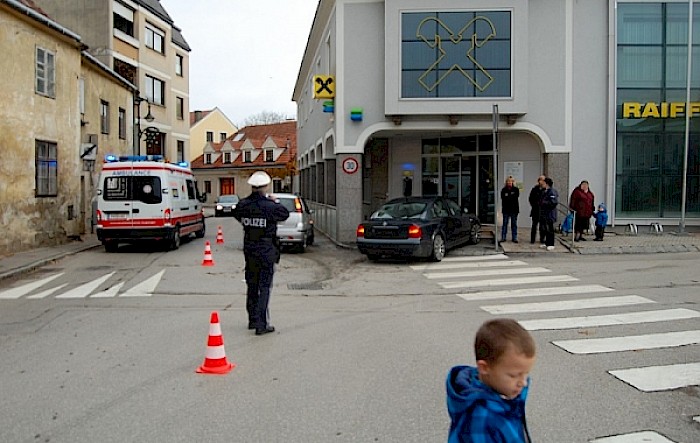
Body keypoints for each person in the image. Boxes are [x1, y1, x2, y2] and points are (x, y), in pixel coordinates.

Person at [446, 318, 537, 443]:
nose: (523, 382)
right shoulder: (481, 420)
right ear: (484, 368)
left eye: (525, 374)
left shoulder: (504, 397)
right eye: (513, 375)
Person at [232, 171, 290, 336]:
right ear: (265, 187)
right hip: (266, 250)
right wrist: (275, 201)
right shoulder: (270, 206)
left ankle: (252, 319)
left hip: (249, 250)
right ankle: (261, 324)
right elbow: (284, 213)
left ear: (252, 186)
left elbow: (237, 215)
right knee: (264, 287)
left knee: (252, 285)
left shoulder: (243, 205)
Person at [538, 177, 559, 251]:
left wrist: (544, 203)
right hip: (545, 213)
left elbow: (553, 202)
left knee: (550, 229)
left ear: (547, 184)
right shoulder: (545, 191)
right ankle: (547, 242)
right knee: (545, 229)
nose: (542, 184)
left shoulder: (552, 192)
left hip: (550, 213)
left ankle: (551, 244)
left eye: (543, 183)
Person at [500, 176, 520, 243]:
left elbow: (515, 198)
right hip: (506, 210)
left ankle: (514, 237)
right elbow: (503, 198)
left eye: (510, 181)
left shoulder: (516, 189)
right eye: (508, 181)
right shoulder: (503, 190)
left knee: (514, 224)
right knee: (505, 224)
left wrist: (508, 197)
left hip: (514, 210)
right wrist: (509, 197)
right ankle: (503, 237)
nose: (509, 182)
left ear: (512, 182)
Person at [528, 176, 545, 244]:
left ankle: (542, 239)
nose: (542, 181)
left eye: (544, 180)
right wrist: (534, 204)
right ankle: (532, 239)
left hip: (543, 210)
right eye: (541, 180)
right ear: (539, 181)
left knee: (542, 226)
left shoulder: (545, 189)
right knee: (534, 225)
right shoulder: (535, 189)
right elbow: (530, 198)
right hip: (535, 209)